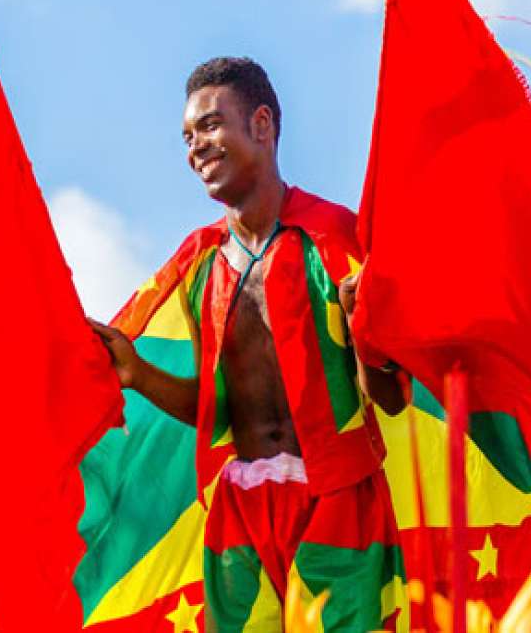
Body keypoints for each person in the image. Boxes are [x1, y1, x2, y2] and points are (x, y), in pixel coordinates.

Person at [90, 56, 411, 631]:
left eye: (210, 126)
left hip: (339, 498)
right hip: (240, 509)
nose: (196, 148)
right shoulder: (197, 262)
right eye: (187, 137)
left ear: (261, 124)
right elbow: (217, 411)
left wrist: (367, 338)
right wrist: (136, 373)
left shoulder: (336, 235)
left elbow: (391, 400)